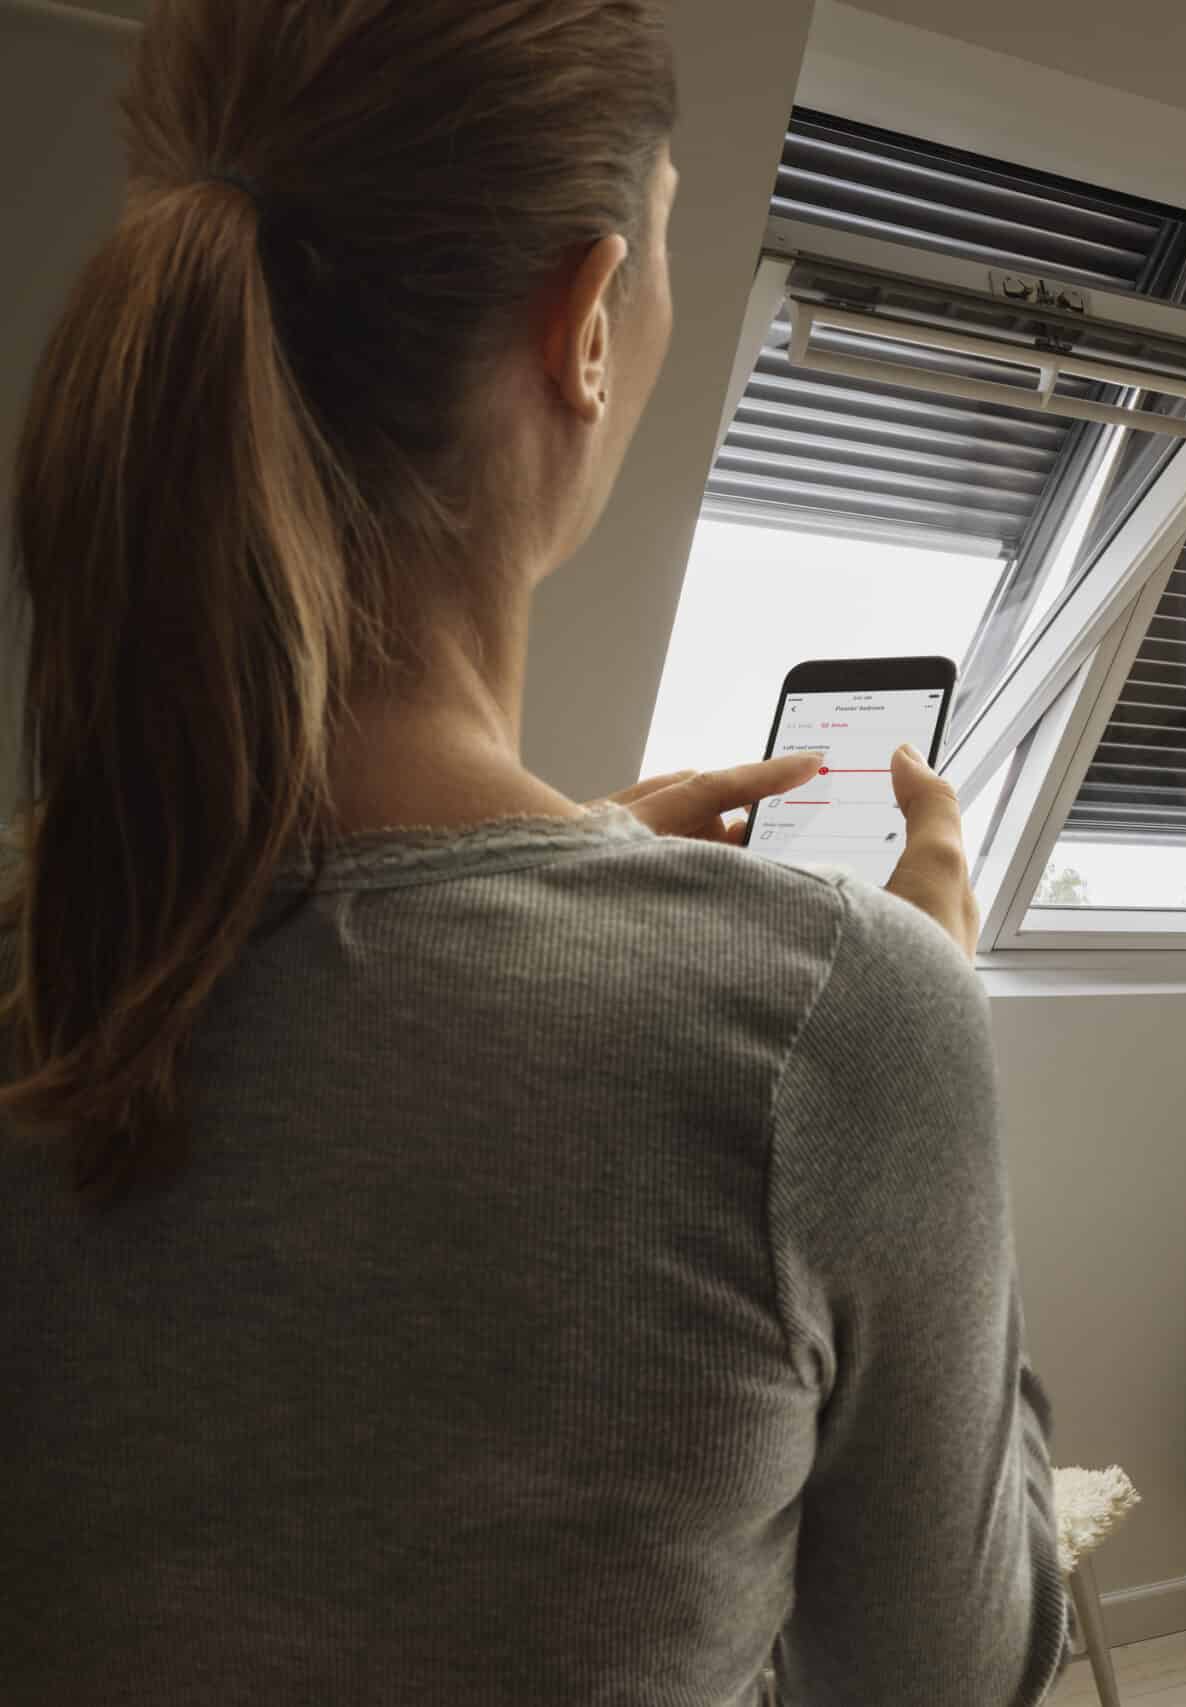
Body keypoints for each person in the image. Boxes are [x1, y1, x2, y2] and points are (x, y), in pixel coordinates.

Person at [0, 4, 1065, 1704]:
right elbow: (941, 1677)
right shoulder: (835, 1023)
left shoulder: (40, 941)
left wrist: (572, 865)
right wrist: (926, 1008)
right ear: (585, 326)